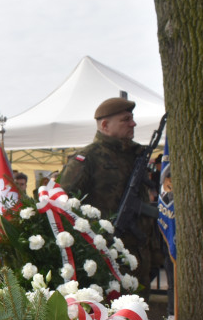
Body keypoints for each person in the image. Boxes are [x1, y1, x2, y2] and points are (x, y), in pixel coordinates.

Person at [57, 97, 161, 289]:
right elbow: (62, 206)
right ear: (105, 125)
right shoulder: (87, 159)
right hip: (106, 260)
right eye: (126, 119)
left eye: (132, 118)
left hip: (140, 258)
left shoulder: (136, 155)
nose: (133, 123)